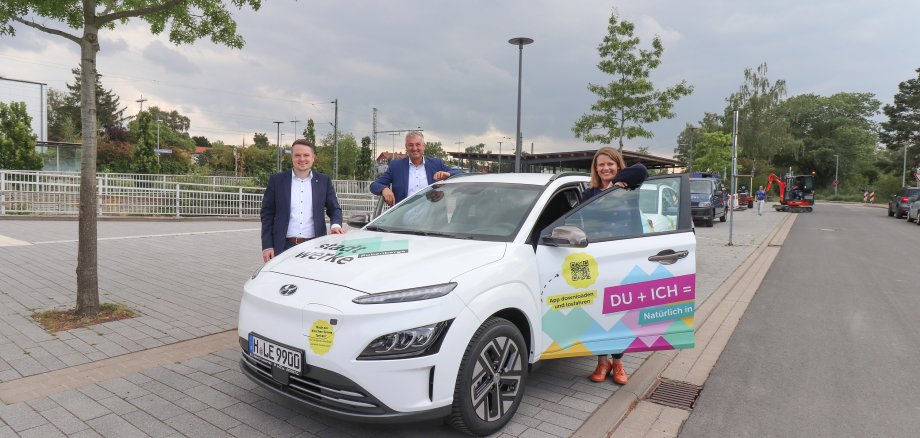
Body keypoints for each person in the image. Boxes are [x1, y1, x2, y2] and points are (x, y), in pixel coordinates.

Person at [580, 146, 648, 385]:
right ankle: (602, 362)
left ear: (618, 166)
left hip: (623, 257)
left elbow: (641, 170)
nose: (606, 168)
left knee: (619, 312)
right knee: (599, 311)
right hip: (597, 259)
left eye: (610, 164)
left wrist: (618, 183)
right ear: (595, 169)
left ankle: (618, 363)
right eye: (601, 165)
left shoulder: (630, 188)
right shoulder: (589, 194)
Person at [261, 139, 345, 262]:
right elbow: (267, 214)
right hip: (283, 247)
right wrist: (267, 246)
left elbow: (334, 208)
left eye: (306, 155)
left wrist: (336, 224)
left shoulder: (323, 181)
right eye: (297, 155)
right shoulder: (277, 181)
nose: (302, 159)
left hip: (315, 246)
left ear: (313, 158)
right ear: (292, 158)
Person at [370, 131, 463, 206]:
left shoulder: (436, 164)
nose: (414, 148)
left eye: (418, 144)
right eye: (410, 145)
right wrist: (384, 189)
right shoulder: (396, 166)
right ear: (406, 147)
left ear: (424, 146)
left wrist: (448, 174)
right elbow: (374, 185)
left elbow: (461, 174)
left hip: (433, 220)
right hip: (402, 221)